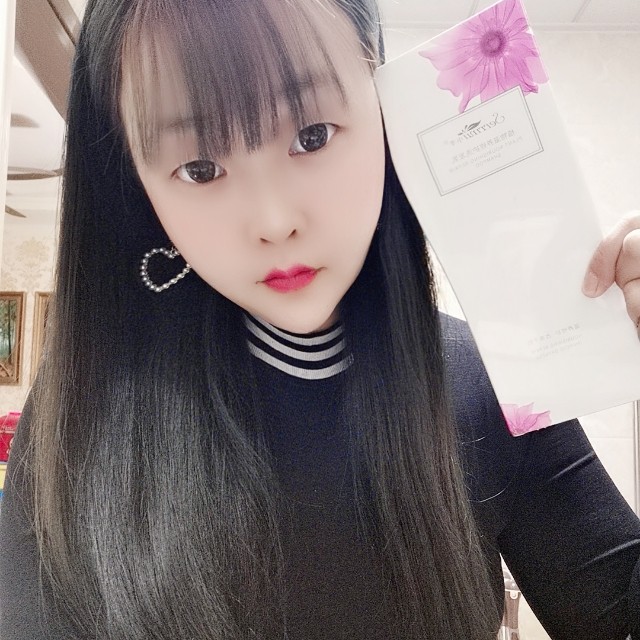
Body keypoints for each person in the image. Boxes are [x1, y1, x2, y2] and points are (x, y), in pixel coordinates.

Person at [0, 1, 639, 639]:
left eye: (312, 136)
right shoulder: (83, 409)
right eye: (200, 169)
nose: (275, 221)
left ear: (384, 105)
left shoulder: (491, 380)